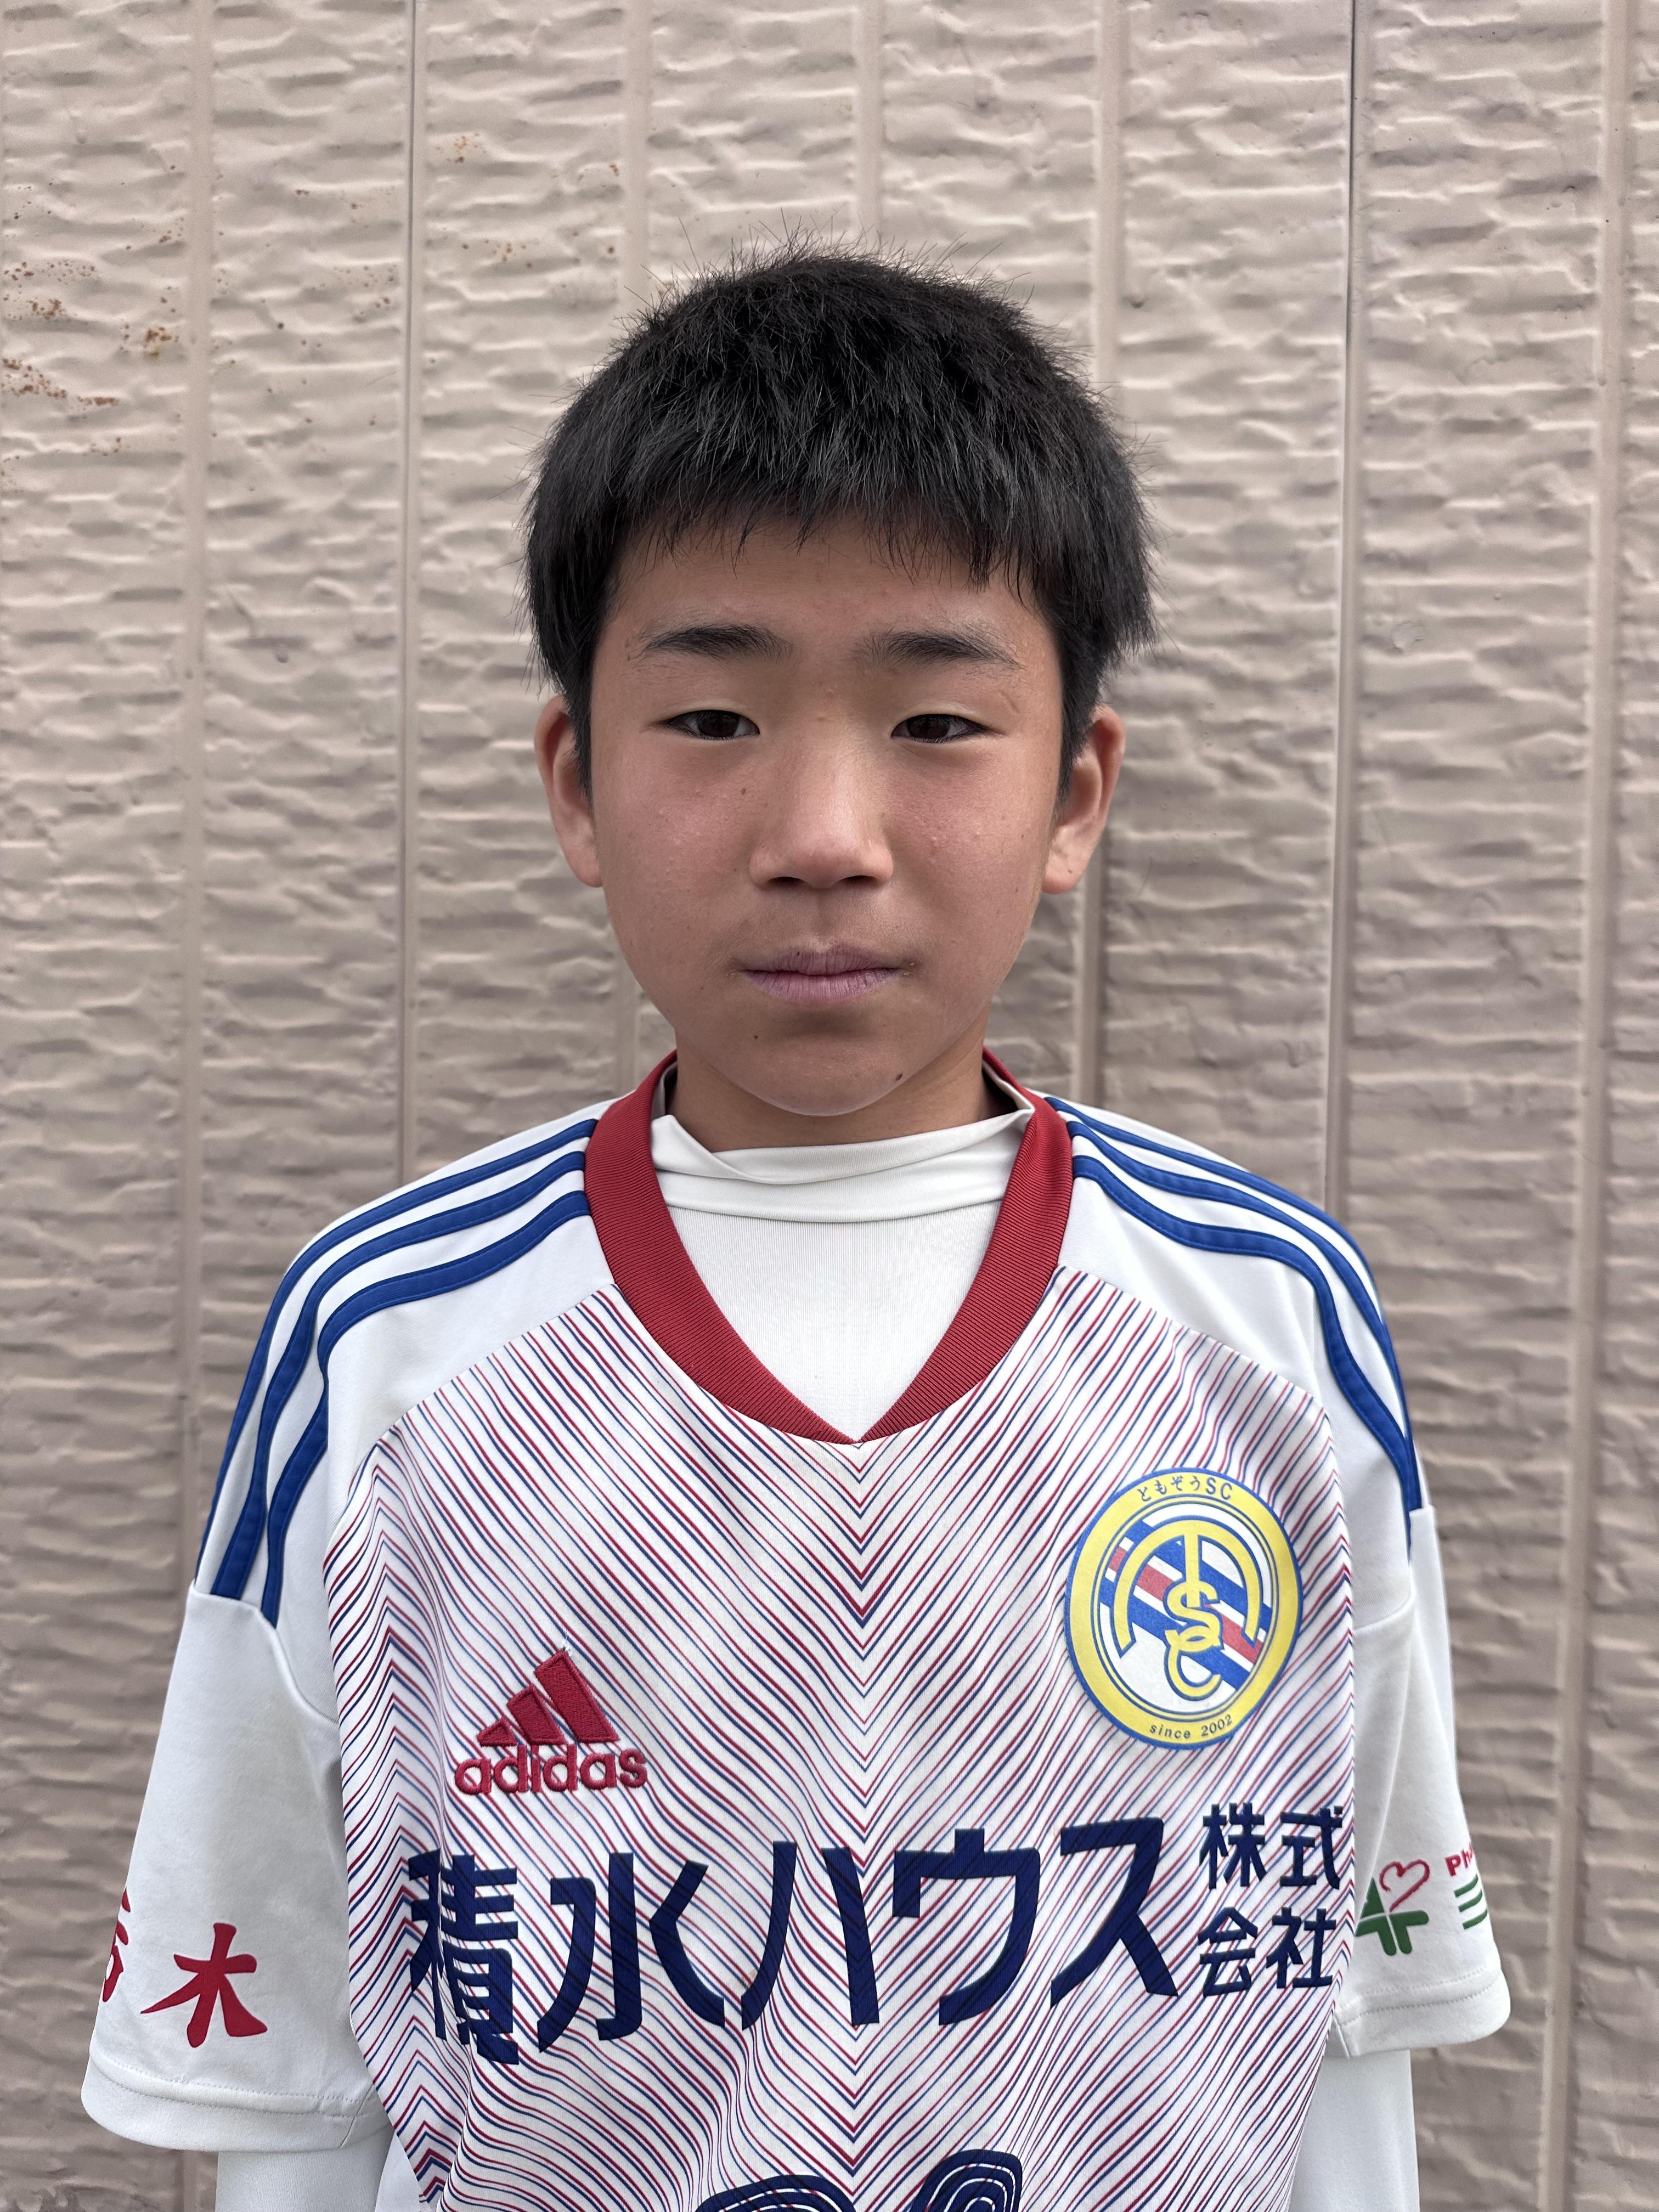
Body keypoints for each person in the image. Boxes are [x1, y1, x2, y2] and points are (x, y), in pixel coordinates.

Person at [83, 246, 1508, 2212]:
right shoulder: (389, 1341)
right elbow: (306, 2087)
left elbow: (1332, 2036)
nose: (824, 834)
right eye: (713, 718)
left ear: (1076, 793)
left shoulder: (1266, 1319)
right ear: (577, 785)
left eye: (936, 724)